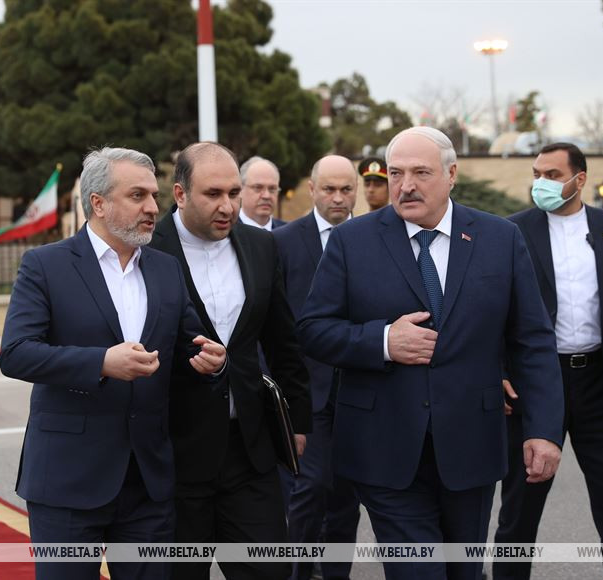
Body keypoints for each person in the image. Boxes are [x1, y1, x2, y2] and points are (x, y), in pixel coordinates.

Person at [298, 127, 564, 580]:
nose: (405, 185)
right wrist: (384, 341)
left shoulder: (500, 239)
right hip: (383, 448)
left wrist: (543, 430)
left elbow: (532, 340)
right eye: (395, 173)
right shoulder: (351, 241)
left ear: (451, 174)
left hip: (471, 445)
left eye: (420, 173)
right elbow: (313, 330)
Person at [0, 147, 227, 580]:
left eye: (154, 195)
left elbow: (188, 347)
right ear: (98, 203)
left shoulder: (166, 269)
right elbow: (16, 353)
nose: (152, 207)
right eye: (137, 195)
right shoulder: (46, 265)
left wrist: (212, 361)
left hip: (148, 481)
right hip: (67, 479)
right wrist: (101, 362)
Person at [149, 142, 311, 580]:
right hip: (175, 455)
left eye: (234, 193)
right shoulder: (148, 250)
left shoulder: (261, 246)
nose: (228, 206)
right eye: (213, 194)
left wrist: (296, 422)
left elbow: (282, 341)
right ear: (180, 194)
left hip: (250, 452)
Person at [493, 143, 603, 580]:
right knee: (520, 507)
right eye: (537, 174)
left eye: (553, 175)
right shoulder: (512, 231)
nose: (541, 183)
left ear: (580, 179)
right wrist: (498, 371)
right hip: (537, 383)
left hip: (600, 382)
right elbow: (491, 310)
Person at [274, 155, 361, 580]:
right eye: (329, 189)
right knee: (308, 491)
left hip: (362, 391)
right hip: (307, 393)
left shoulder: (375, 239)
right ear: (311, 190)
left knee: (346, 497)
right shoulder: (283, 243)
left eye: (346, 189)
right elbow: (272, 324)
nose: (338, 198)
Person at [238, 156, 287, 230]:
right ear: (240, 190)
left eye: (272, 189)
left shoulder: (289, 233)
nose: (266, 196)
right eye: (258, 188)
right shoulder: (226, 232)